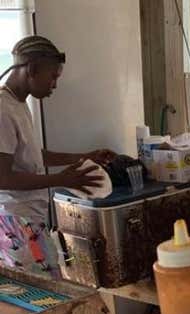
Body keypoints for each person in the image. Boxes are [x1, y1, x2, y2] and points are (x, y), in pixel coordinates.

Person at [0, 36, 115, 277]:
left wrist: (82, 157)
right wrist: (61, 180)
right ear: (31, 69)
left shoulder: (18, 104)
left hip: (30, 219)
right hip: (16, 224)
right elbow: (3, 177)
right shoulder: (2, 110)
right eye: (52, 76)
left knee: (50, 291)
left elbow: (31, 156)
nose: (54, 84)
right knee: (46, 296)